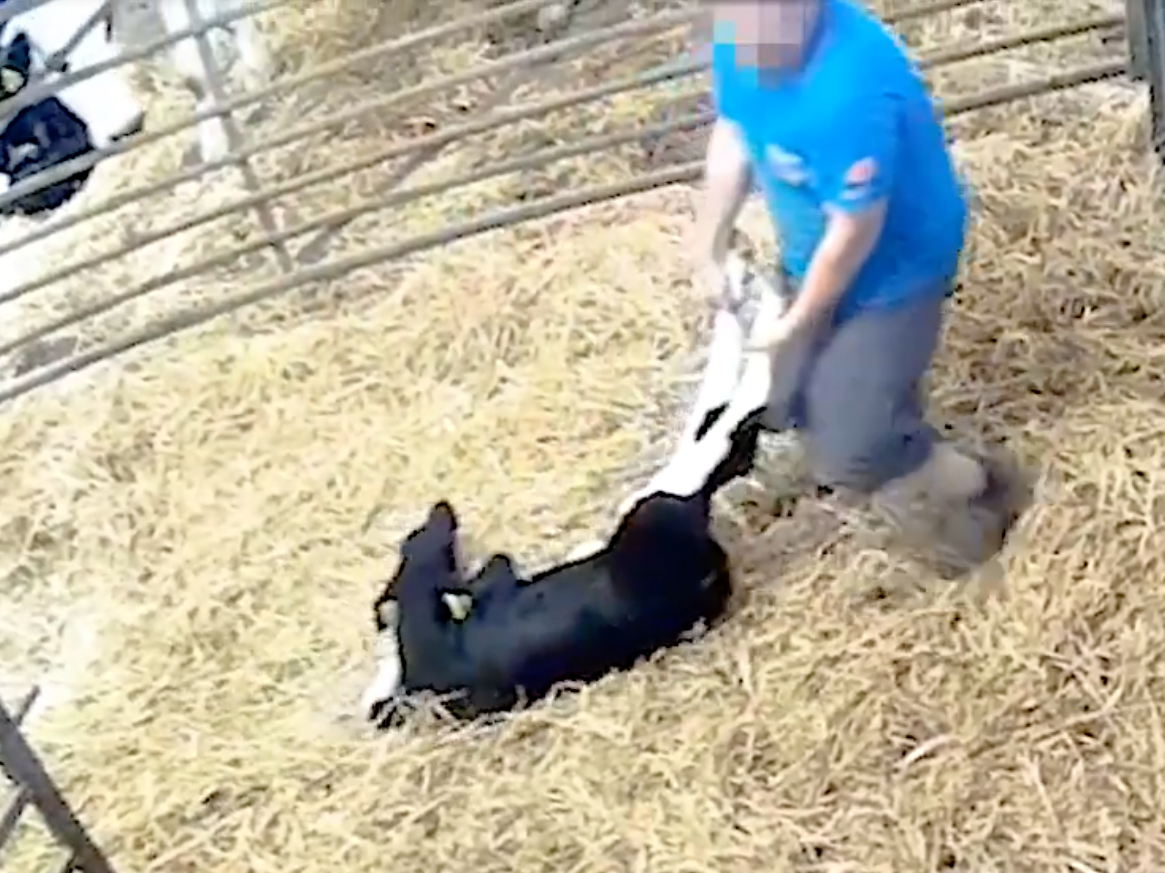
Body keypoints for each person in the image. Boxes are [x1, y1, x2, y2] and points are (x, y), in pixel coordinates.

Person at [692, 0, 1027, 574]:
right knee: (784, 392)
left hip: (897, 271)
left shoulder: (849, 88)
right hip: (812, 247)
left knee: (855, 443)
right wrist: (706, 246)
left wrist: (799, 320)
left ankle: (980, 484)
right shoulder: (742, 36)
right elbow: (735, 128)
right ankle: (857, 421)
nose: (739, 37)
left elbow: (855, 231)